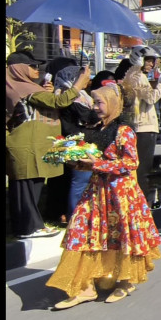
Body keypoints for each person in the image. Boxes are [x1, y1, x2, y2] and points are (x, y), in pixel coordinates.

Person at [46, 82, 161, 309]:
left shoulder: (124, 131)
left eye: (99, 102)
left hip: (121, 193)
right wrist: (77, 162)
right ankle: (85, 288)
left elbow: (131, 162)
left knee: (121, 235)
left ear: (113, 103)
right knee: (80, 230)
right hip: (96, 191)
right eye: (94, 102)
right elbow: (93, 162)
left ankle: (125, 280)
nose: (96, 107)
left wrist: (97, 163)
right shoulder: (96, 128)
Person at [6, 50, 91, 239]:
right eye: (32, 66)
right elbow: (58, 101)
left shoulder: (27, 88)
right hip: (24, 145)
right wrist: (79, 83)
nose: (37, 69)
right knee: (25, 188)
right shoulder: (21, 88)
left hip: (32, 145)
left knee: (32, 186)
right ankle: (29, 228)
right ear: (19, 68)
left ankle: (30, 226)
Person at [121, 45, 161, 209]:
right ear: (139, 58)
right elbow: (151, 97)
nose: (152, 64)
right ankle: (140, 205)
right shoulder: (137, 76)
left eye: (153, 61)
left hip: (144, 126)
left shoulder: (136, 76)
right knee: (142, 170)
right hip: (142, 128)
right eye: (149, 60)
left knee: (143, 170)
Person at [55, 65, 105, 220]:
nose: (87, 80)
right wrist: (101, 112)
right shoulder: (69, 96)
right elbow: (88, 118)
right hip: (77, 143)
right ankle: (75, 217)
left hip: (82, 140)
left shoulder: (81, 95)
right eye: (82, 76)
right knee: (80, 181)